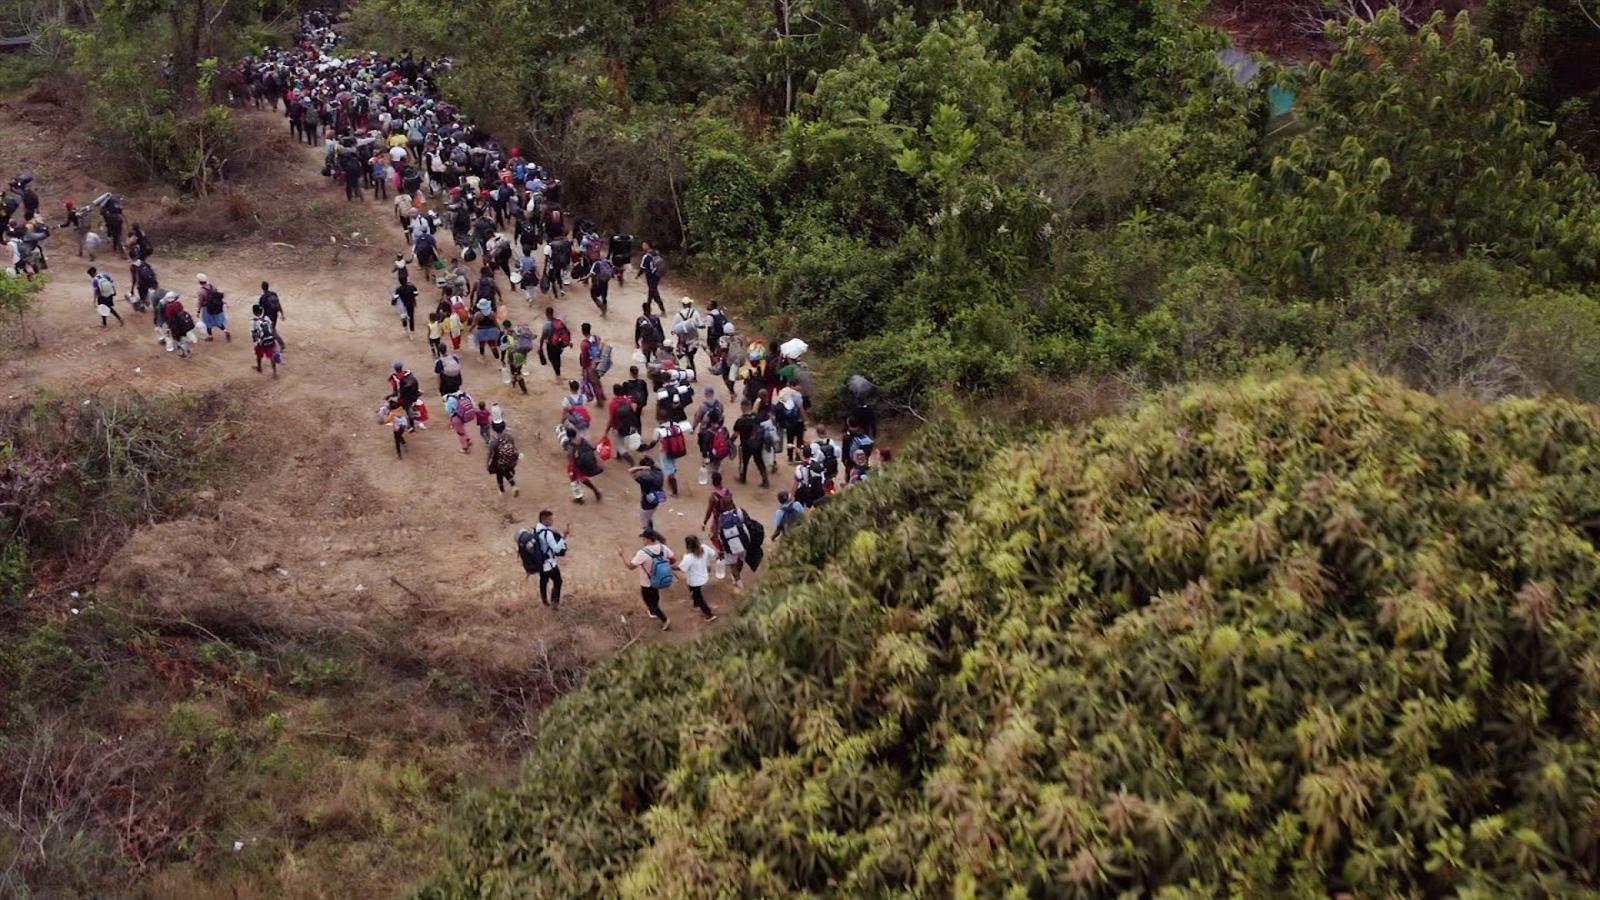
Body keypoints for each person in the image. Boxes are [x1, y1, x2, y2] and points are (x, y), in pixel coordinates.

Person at [619, 531, 675, 631]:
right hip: (660, 579)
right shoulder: (663, 547)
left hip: (647, 582)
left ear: (648, 539)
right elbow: (673, 559)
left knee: (649, 602)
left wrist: (622, 556)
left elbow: (630, 567)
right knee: (655, 595)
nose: (643, 540)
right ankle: (653, 612)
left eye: (644, 538)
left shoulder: (643, 553)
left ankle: (664, 619)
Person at [517, 511, 568, 608]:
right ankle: (554, 603)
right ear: (544, 520)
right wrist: (564, 537)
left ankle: (544, 601)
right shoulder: (547, 534)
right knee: (558, 581)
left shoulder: (535, 530)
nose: (552, 521)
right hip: (549, 563)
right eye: (550, 519)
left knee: (543, 581)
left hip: (539, 562)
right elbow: (556, 549)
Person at [678, 535, 718, 621]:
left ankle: (709, 614)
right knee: (694, 591)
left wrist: (669, 566)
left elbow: (681, 568)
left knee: (698, 596)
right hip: (704, 577)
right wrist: (707, 563)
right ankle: (696, 603)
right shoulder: (705, 548)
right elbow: (714, 554)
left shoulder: (688, 557)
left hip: (694, 581)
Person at [733, 402, 769, 488]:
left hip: (746, 445)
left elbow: (735, 434)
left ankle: (743, 478)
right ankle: (765, 480)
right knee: (759, 461)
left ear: (742, 407)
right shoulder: (757, 417)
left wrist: (730, 442)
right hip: (758, 443)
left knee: (744, 462)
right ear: (750, 406)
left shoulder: (740, 420)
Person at [564, 425, 604, 503]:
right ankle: (594, 491)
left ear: (568, 436)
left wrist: (571, 470)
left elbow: (571, 457)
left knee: (574, 479)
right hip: (587, 462)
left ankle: (579, 497)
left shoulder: (570, 444)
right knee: (582, 478)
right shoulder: (582, 439)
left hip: (578, 465)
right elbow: (593, 448)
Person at [629, 456, 667, 535]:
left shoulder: (645, 477)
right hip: (657, 498)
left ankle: (648, 535)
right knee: (649, 517)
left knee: (644, 522)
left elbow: (630, 471)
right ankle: (650, 530)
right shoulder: (659, 472)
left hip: (647, 501)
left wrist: (640, 468)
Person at [487, 419, 520, 495]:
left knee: (499, 477)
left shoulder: (493, 441)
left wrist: (487, 464)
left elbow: (490, 454)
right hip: (510, 461)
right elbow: (514, 447)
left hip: (500, 463)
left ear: (494, 428)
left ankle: (501, 491)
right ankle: (514, 486)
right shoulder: (510, 437)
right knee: (507, 473)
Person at [539, 306, 570, 379]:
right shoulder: (558, 322)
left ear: (546, 314)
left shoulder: (546, 325)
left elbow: (542, 337)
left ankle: (557, 374)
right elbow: (566, 331)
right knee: (557, 358)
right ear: (553, 313)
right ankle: (558, 372)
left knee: (551, 359)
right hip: (559, 344)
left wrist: (540, 347)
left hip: (551, 345)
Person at [196, 274, 230, 341]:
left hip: (207, 309)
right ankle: (225, 330)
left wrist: (198, 311)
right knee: (218, 321)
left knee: (208, 323)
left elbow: (200, 302)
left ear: (200, 282)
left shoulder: (201, 291)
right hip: (216, 307)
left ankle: (210, 336)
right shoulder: (213, 287)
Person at [250, 304, 279, 376]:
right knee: (271, 356)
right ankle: (274, 372)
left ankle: (259, 368)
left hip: (261, 341)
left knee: (259, 355)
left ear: (254, 312)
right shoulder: (266, 318)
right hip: (270, 339)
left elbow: (253, 334)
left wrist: (255, 343)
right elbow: (271, 328)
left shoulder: (253, 321)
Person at [639, 241, 665, 313]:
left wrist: (638, 275)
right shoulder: (656, 253)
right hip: (657, 275)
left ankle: (662, 309)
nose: (642, 246)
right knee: (651, 291)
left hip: (650, 277)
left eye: (644, 245)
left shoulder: (646, 256)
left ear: (647, 246)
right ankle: (648, 307)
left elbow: (642, 268)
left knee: (654, 292)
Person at [258, 281, 286, 347]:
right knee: (271, 330)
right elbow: (278, 304)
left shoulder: (262, 298)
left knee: (272, 331)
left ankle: (282, 344)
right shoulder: (274, 294)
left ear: (262, 288)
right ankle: (272, 343)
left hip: (269, 317)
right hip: (275, 315)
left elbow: (261, 310)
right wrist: (282, 313)